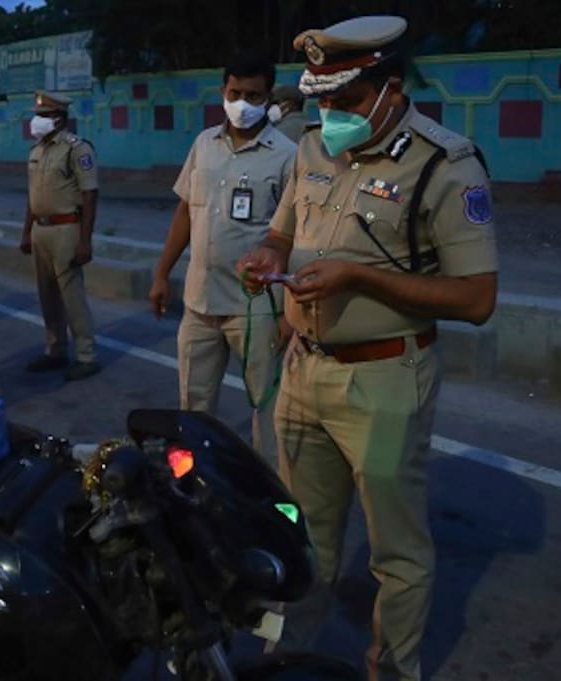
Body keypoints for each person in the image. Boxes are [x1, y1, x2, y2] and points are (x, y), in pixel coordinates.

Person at [238, 16, 497, 681]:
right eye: (323, 101)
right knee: (299, 532)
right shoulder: (311, 149)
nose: (332, 115)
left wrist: (359, 276)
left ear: (391, 87)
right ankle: (285, 655)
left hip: (383, 381)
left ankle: (394, 669)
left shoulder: (445, 163)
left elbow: (476, 299)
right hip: (302, 372)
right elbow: (280, 230)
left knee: (397, 552)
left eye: (347, 101)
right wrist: (266, 254)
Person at [149, 52, 296, 461]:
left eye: (254, 95)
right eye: (235, 93)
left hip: (256, 310)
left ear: (269, 98)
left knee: (268, 411)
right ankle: (192, 486)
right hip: (199, 302)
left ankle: (272, 501)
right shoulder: (203, 144)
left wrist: (289, 314)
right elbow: (184, 212)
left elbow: (296, 237)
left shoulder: (287, 155)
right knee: (192, 408)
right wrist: (162, 273)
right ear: (222, 91)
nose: (243, 104)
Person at [20, 90, 99, 381]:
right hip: (41, 228)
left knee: (71, 295)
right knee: (47, 295)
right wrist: (26, 231)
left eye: (43, 115)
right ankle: (55, 349)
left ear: (59, 118)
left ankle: (86, 354)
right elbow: (33, 196)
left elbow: (90, 195)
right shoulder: (37, 150)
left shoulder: (76, 149)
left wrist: (85, 240)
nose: (37, 120)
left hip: (67, 227)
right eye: (37, 114)